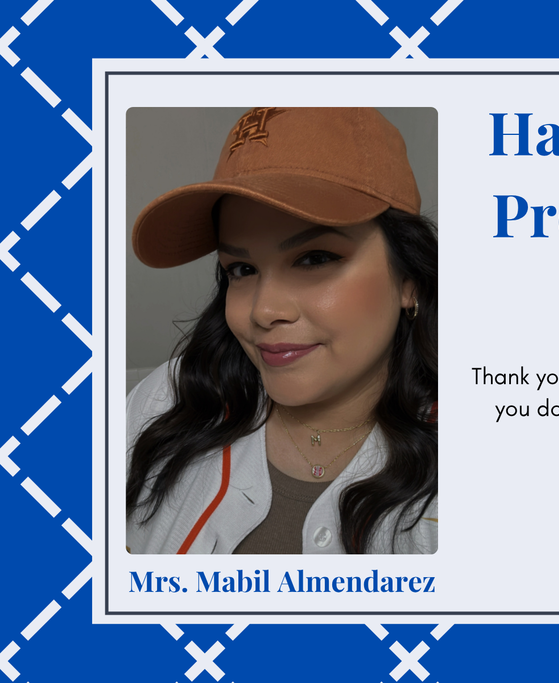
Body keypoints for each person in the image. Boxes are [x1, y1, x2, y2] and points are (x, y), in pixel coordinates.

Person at [125, 108, 437, 554]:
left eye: (315, 258)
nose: (263, 310)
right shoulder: (169, 398)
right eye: (242, 268)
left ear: (409, 280)